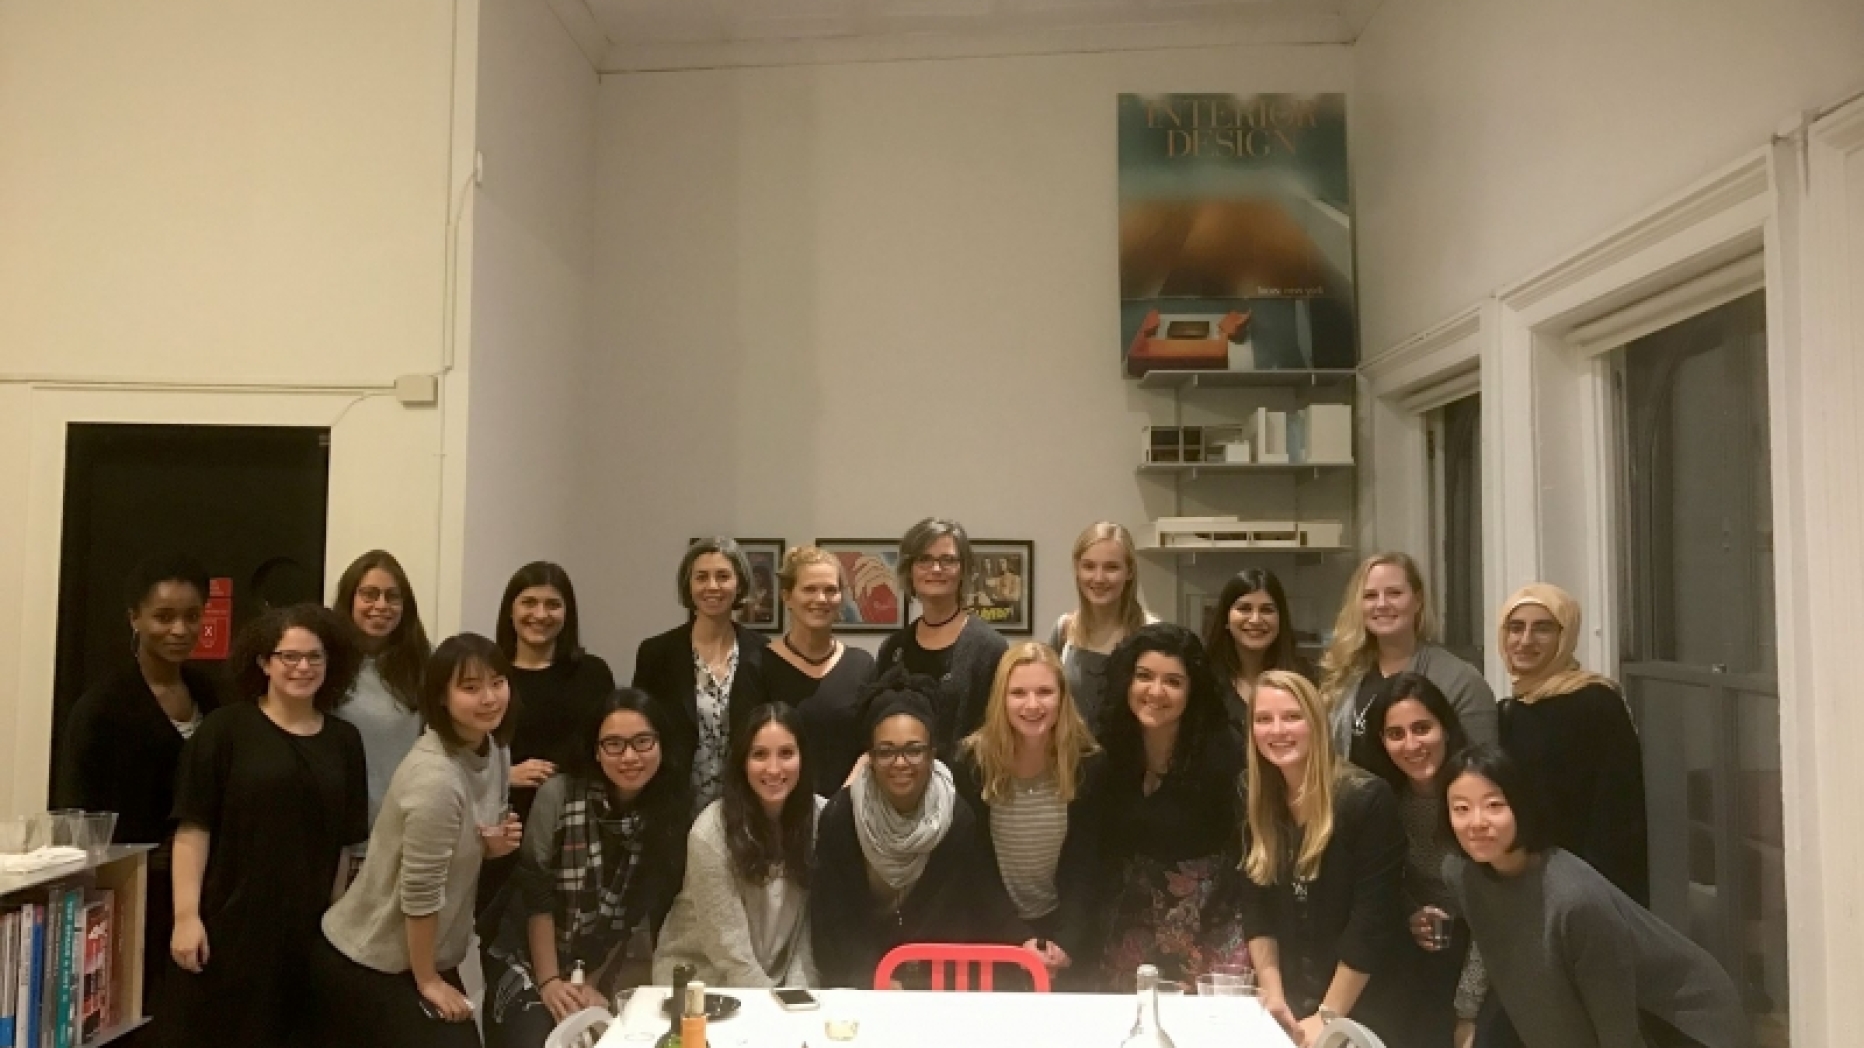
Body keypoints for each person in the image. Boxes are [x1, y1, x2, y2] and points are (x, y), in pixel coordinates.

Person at [1442, 746, 1752, 1048]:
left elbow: (1617, 1024)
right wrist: (1466, 1015)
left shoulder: (1574, 900)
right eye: (1461, 809)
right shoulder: (1461, 873)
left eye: (1494, 805)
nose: (1476, 823)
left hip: (1679, 1021)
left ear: (1522, 807)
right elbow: (1493, 944)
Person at [164, 604, 368, 1048]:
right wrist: (186, 917)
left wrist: (335, 929)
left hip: (308, 937)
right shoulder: (225, 730)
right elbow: (192, 830)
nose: (302, 667)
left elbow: (345, 847)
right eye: (289, 656)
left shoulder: (345, 742)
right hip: (229, 930)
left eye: (315, 656)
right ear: (264, 662)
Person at [314, 634, 520, 1048]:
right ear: (441, 698)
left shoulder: (494, 749)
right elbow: (421, 891)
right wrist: (428, 980)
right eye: (470, 687)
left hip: (426, 954)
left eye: (497, 682)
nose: (489, 698)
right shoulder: (435, 778)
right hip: (373, 958)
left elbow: (468, 836)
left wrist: (490, 846)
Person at [55, 554, 221, 1022]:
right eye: (164, 617)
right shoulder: (100, 710)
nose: (180, 630)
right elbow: (76, 823)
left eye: (192, 617)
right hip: (133, 897)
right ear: (135, 618)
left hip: (204, 894)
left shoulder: (214, 695)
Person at [481, 689, 690, 1047]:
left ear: (661, 745)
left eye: (643, 742)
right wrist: (550, 982)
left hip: (603, 964)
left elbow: (632, 913)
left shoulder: (667, 815)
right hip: (527, 958)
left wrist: (590, 982)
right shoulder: (559, 795)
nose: (629, 757)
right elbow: (536, 892)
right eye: (614, 744)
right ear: (596, 750)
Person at [810, 673, 1022, 988]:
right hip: (860, 982)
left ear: (932, 751)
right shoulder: (841, 818)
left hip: (934, 981)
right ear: (869, 756)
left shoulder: (957, 817)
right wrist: (874, 979)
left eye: (913, 749)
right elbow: (831, 927)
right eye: (886, 751)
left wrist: (1024, 940)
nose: (900, 762)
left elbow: (980, 901)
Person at [1240, 670, 1409, 1046]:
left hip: (1363, 1005)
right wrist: (1274, 998)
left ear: (1316, 723)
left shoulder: (1366, 798)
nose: (1277, 730)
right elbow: (1256, 906)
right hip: (1290, 1000)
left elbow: (1372, 921)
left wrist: (1327, 1018)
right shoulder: (1254, 797)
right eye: (1264, 719)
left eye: (1292, 717)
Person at [1095, 623, 1249, 990]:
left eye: (1173, 682)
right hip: (1126, 922)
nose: (1155, 692)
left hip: (1210, 921)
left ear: (1192, 691)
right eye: (1144, 677)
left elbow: (1246, 847)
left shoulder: (1223, 750)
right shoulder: (1108, 745)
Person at [954, 643, 1105, 986]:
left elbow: (1089, 863)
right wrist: (1017, 938)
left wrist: (1068, 938)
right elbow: (974, 864)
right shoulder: (971, 762)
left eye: (1045, 692)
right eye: (1018, 693)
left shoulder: (1088, 763)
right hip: (991, 930)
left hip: (1066, 933)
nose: (1033, 705)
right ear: (1000, 699)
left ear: (1063, 698)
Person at [1496, 583, 1649, 905]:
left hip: (1583, 886)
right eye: (1515, 628)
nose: (1525, 640)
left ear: (1566, 636)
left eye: (1543, 629)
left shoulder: (1596, 703)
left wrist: (1596, 895)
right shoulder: (1510, 709)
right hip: (1523, 880)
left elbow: (1618, 812)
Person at [479, 563, 617, 915]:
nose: (540, 614)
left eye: (552, 604)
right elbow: (461, 753)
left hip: (577, 827)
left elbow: (607, 747)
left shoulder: (593, 673)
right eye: (529, 602)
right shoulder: (488, 676)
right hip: (502, 824)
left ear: (567, 613)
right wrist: (506, 774)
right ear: (510, 610)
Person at [1358, 672, 1486, 1048]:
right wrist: (1409, 912)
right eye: (1396, 734)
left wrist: (1466, 1012)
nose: (1411, 744)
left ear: (1446, 728)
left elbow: (1497, 913)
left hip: (1485, 957)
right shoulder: (1381, 800)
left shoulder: (1478, 796)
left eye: (1422, 728)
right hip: (1415, 957)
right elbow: (1381, 883)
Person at [654, 704, 822, 987]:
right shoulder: (710, 833)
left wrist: (797, 997)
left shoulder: (821, 818)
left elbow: (808, 931)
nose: (773, 768)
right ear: (742, 762)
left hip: (774, 983)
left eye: (786, 753)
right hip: (699, 980)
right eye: (759, 755)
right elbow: (731, 955)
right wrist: (773, 1011)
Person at [1319, 552, 1496, 768]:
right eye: (1370, 596)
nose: (1382, 604)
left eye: (1394, 593)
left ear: (1418, 600)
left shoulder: (1460, 680)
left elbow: (1483, 770)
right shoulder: (1345, 673)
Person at [632, 537, 770, 813]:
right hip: (673, 803)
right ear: (688, 586)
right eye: (701, 577)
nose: (712, 586)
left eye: (723, 576)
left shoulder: (764, 652)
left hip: (744, 804)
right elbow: (641, 730)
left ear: (739, 583)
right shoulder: (656, 653)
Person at [876, 518, 1008, 755]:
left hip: (965, 787)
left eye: (947, 560)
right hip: (900, 784)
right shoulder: (893, 649)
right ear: (910, 570)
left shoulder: (989, 648)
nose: (936, 569)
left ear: (963, 570)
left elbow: (998, 732)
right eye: (924, 559)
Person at [759, 546, 877, 794]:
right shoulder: (758, 665)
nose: (821, 599)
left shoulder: (862, 665)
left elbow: (873, 744)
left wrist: (842, 802)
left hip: (848, 808)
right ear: (787, 596)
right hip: (779, 810)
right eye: (810, 589)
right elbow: (749, 750)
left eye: (830, 590)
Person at [330, 550, 432, 834]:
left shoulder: (424, 663)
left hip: (405, 825)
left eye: (392, 596)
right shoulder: (323, 661)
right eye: (370, 594)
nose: (381, 605)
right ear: (350, 598)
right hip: (340, 828)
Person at [1047, 522, 1155, 727]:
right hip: (1073, 756)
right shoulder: (1064, 630)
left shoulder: (1152, 634)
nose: (1099, 578)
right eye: (1089, 566)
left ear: (1129, 571)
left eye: (1111, 567)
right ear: (1077, 569)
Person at [1202, 567, 1313, 736]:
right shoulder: (1204, 680)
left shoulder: (1305, 676)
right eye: (1244, 608)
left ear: (1280, 619)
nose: (1255, 619)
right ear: (1225, 618)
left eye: (1267, 610)